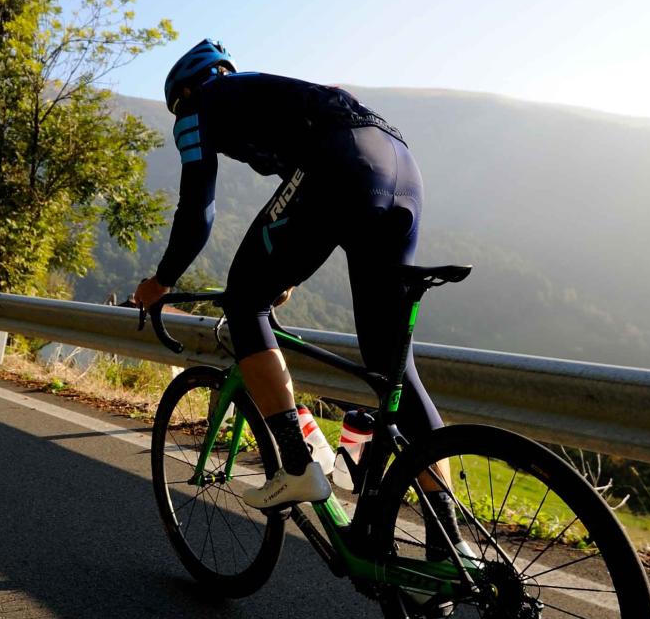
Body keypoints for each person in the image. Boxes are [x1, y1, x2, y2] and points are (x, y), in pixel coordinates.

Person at [134, 40, 451, 520]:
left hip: (343, 161)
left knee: (244, 301)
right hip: (402, 166)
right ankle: (449, 538)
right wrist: (286, 274)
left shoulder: (198, 106)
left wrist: (161, 280)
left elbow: (197, 209)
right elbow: (311, 208)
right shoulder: (270, 99)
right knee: (393, 366)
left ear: (184, 92)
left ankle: (296, 464)